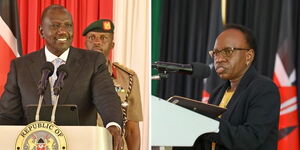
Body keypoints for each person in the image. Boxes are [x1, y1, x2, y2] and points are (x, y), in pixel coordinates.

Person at [0, 5, 123, 150]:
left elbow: (106, 97)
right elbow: (8, 115)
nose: (63, 31)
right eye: (56, 26)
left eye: (68, 25)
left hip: (80, 145)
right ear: (41, 31)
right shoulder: (20, 66)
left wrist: (113, 125)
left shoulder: (93, 62)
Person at [194, 24, 280, 150]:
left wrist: (207, 122)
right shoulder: (217, 93)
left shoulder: (264, 89)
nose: (218, 59)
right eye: (216, 53)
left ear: (248, 56)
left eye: (228, 51)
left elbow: (250, 139)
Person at [82, 19, 143, 150]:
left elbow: (132, 129)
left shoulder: (127, 78)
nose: (97, 42)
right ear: (85, 43)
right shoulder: (70, 75)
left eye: (103, 38)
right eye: (92, 37)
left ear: (112, 45)